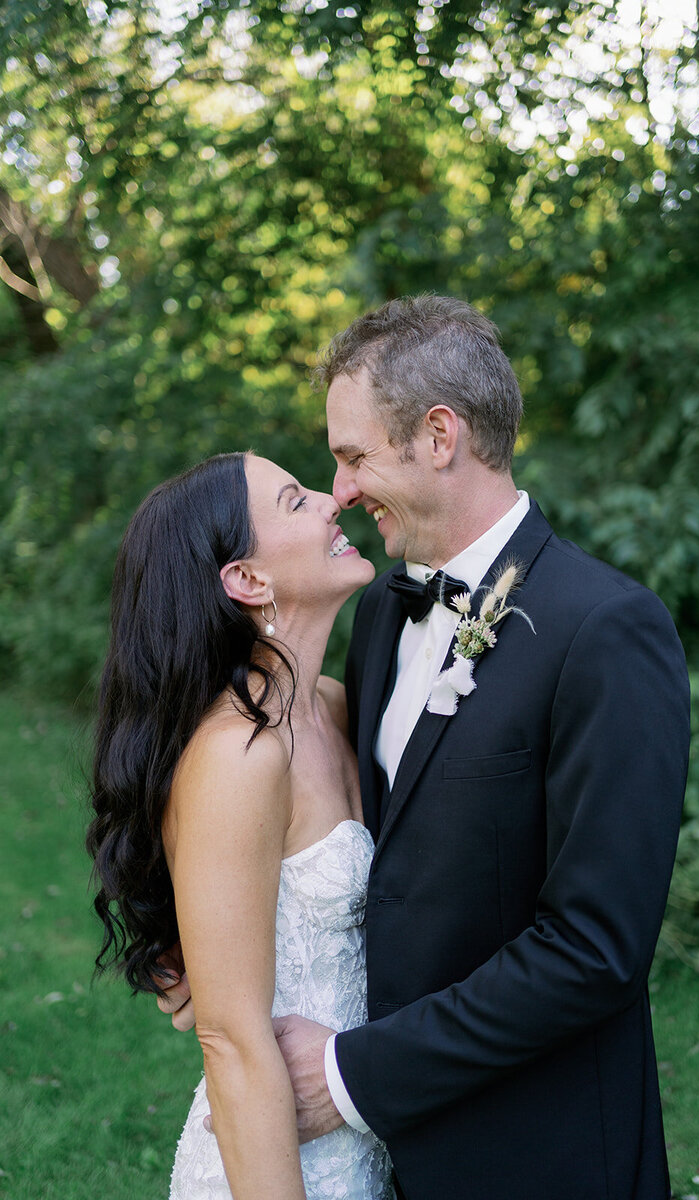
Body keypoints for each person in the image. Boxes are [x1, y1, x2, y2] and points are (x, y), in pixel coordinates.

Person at [161, 296, 691, 1200]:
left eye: (353, 456)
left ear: (439, 436)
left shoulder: (605, 630)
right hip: (390, 1166)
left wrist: (349, 1077)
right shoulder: (375, 617)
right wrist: (190, 953)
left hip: (539, 1153)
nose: (342, 491)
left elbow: (596, 948)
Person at [87, 451, 394, 1199]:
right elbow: (230, 1040)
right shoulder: (238, 754)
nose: (331, 501)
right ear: (247, 580)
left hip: (365, 1127)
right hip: (272, 1162)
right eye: (295, 502)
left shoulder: (333, 706)